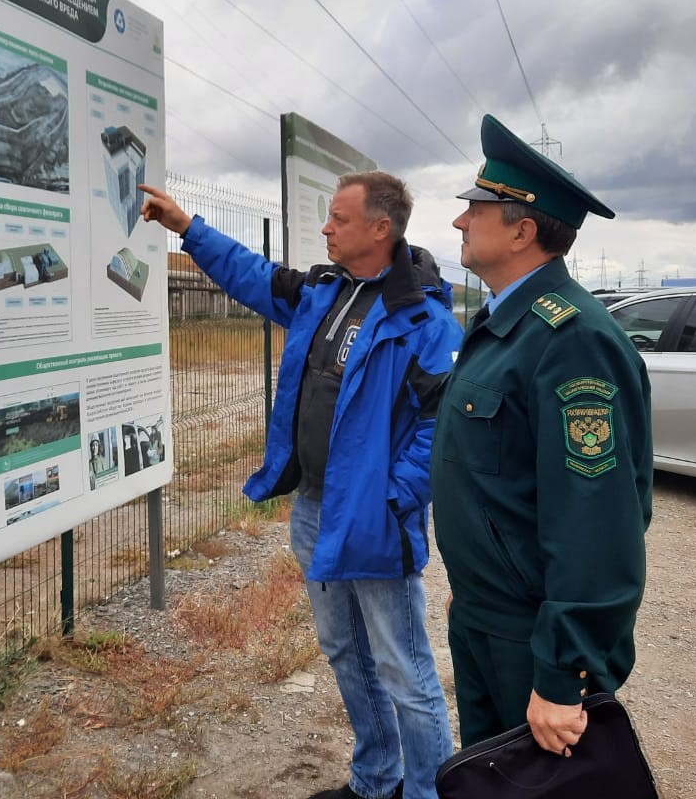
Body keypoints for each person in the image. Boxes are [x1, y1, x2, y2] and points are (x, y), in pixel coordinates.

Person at [141, 173, 461, 799]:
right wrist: (187, 228)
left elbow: (439, 430)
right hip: (315, 509)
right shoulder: (323, 291)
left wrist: (394, 497)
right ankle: (376, 778)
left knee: (403, 666)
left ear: (380, 228)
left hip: (373, 521)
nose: (326, 228)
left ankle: (427, 792)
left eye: (339, 218)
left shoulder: (425, 320)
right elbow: (253, 276)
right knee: (344, 649)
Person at [430, 114, 653, 755]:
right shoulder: (506, 324)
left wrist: (564, 671)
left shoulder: (572, 339)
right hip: (485, 618)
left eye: (476, 207)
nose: (459, 221)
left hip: (531, 638)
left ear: (522, 230)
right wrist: (471, 594)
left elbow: (598, 521)